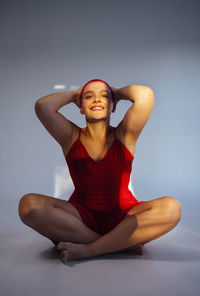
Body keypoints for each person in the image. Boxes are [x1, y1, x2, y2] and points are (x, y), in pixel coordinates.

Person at [18, 79, 182, 262]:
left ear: (113, 106)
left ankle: (91, 249)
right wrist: (75, 94)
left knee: (172, 208)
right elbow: (43, 106)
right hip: (80, 217)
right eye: (89, 97)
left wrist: (116, 92)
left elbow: (145, 95)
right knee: (28, 205)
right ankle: (119, 244)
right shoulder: (71, 136)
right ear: (81, 107)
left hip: (124, 216)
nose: (97, 99)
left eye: (104, 96)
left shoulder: (124, 135)